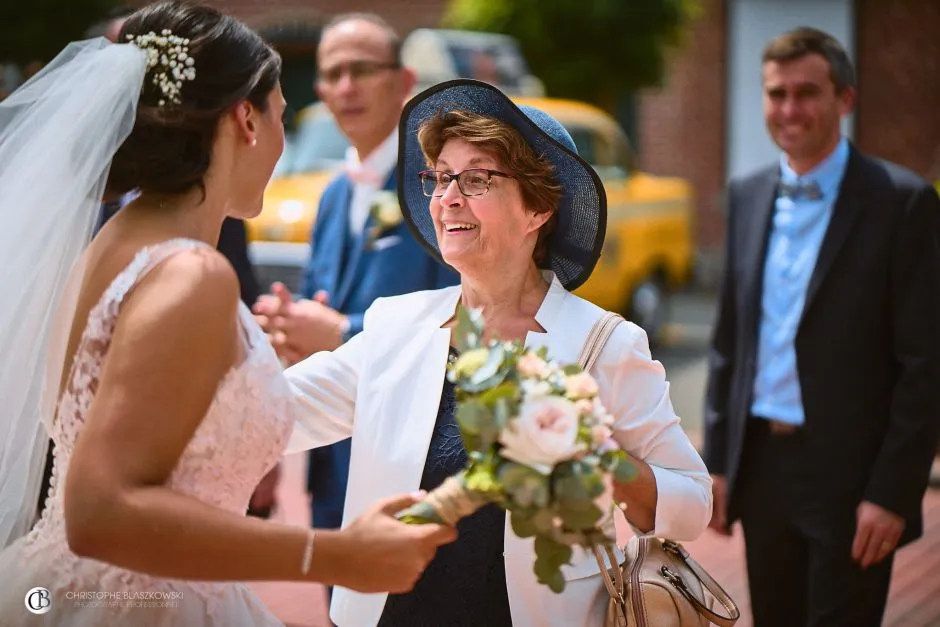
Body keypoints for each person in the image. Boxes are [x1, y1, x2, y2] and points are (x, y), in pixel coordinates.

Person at [0, 2, 456, 625]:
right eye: (281, 118)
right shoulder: (193, 274)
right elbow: (100, 510)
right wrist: (335, 556)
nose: (281, 142)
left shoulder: (108, 247)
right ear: (246, 117)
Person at [282, 78, 712, 627]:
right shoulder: (395, 325)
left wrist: (602, 460)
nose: (447, 198)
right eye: (440, 179)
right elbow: (275, 412)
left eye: (477, 178)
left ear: (538, 209)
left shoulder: (605, 344)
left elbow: (693, 503)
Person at [703, 27, 940, 627]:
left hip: (853, 475)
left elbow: (926, 364)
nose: (789, 110)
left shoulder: (902, 203)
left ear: (845, 99)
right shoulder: (747, 195)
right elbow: (731, 341)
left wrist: (893, 491)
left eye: (806, 93)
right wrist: (719, 461)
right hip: (762, 470)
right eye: (776, 93)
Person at [253, 13, 458, 552]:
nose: (345, 87)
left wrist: (342, 332)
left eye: (361, 70)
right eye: (333, 74)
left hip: (413, 459)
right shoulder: (332, 196)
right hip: (330, 466)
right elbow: (321, 296)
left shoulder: (440, 185)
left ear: (404, 81)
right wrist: (290, 325)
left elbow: (467, 310)